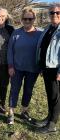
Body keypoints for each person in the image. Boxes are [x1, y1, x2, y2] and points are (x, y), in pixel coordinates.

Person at [7, 8, 42, 124]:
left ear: (34, 19)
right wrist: (10, 66)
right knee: (14, 90)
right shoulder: (16, 33)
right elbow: (10, 51)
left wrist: (42, 67)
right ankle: (11, 112)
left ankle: (24, 111)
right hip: (17, 68)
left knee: (28, 90)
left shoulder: (40, 34)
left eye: (30, 19)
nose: (27, 21)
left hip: (33, 69)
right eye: (25, 19)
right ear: (22, 19)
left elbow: (43, 52)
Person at [36, 3, 60, 134]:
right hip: (46, 68)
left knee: (56, 97)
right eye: (52, 13)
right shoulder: (48, 29)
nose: (54, 15)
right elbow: (42, 48)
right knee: (50, 95)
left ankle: (52, 125)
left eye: (57, 12)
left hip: (56, 69)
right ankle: (49, 117)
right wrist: (41, 66)